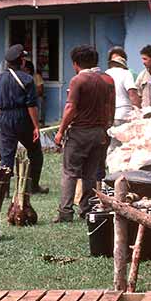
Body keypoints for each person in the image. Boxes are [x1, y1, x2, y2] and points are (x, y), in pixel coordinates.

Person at [53, 45, 115, 223]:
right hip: (99, 132)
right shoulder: (106, 80)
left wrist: (60, 131)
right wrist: (105, 129)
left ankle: (65, 212)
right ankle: (86, 208)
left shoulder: (78, 81)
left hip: (80, 131)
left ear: (75, 63)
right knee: (90, 173)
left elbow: (71, 107)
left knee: (70, 172)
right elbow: (109, 108)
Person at [0, 44, 46, 194]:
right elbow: (31, 105)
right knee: (35, 153)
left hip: (4, 118)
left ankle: (3, 190)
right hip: (24, 118)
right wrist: (36, 126)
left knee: (7, 156)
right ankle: (33, 186)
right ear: (22, 61)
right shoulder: (27, 79)